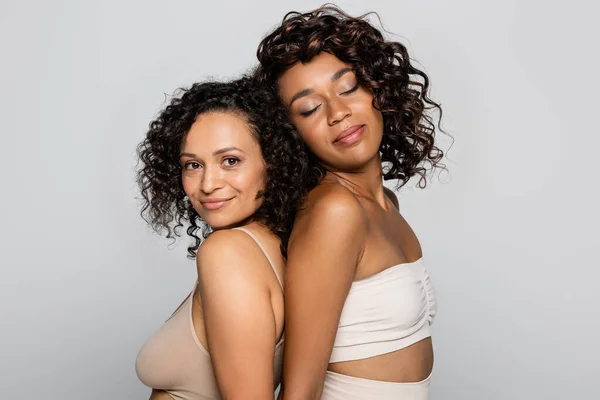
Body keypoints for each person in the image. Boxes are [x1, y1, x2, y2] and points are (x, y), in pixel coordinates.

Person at [255, 6, 445, 399]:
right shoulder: (333, 211)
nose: (338, 113)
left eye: (348, 87)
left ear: (378, 87)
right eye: (309, 108)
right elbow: (301, 390)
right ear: (290, 134)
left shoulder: (384, 203)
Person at [134, 76, 309, 400]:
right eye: (193, 165)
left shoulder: (229, 253)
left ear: (272, 160)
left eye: (230, 161)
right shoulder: (275, 245)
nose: (208, 183)